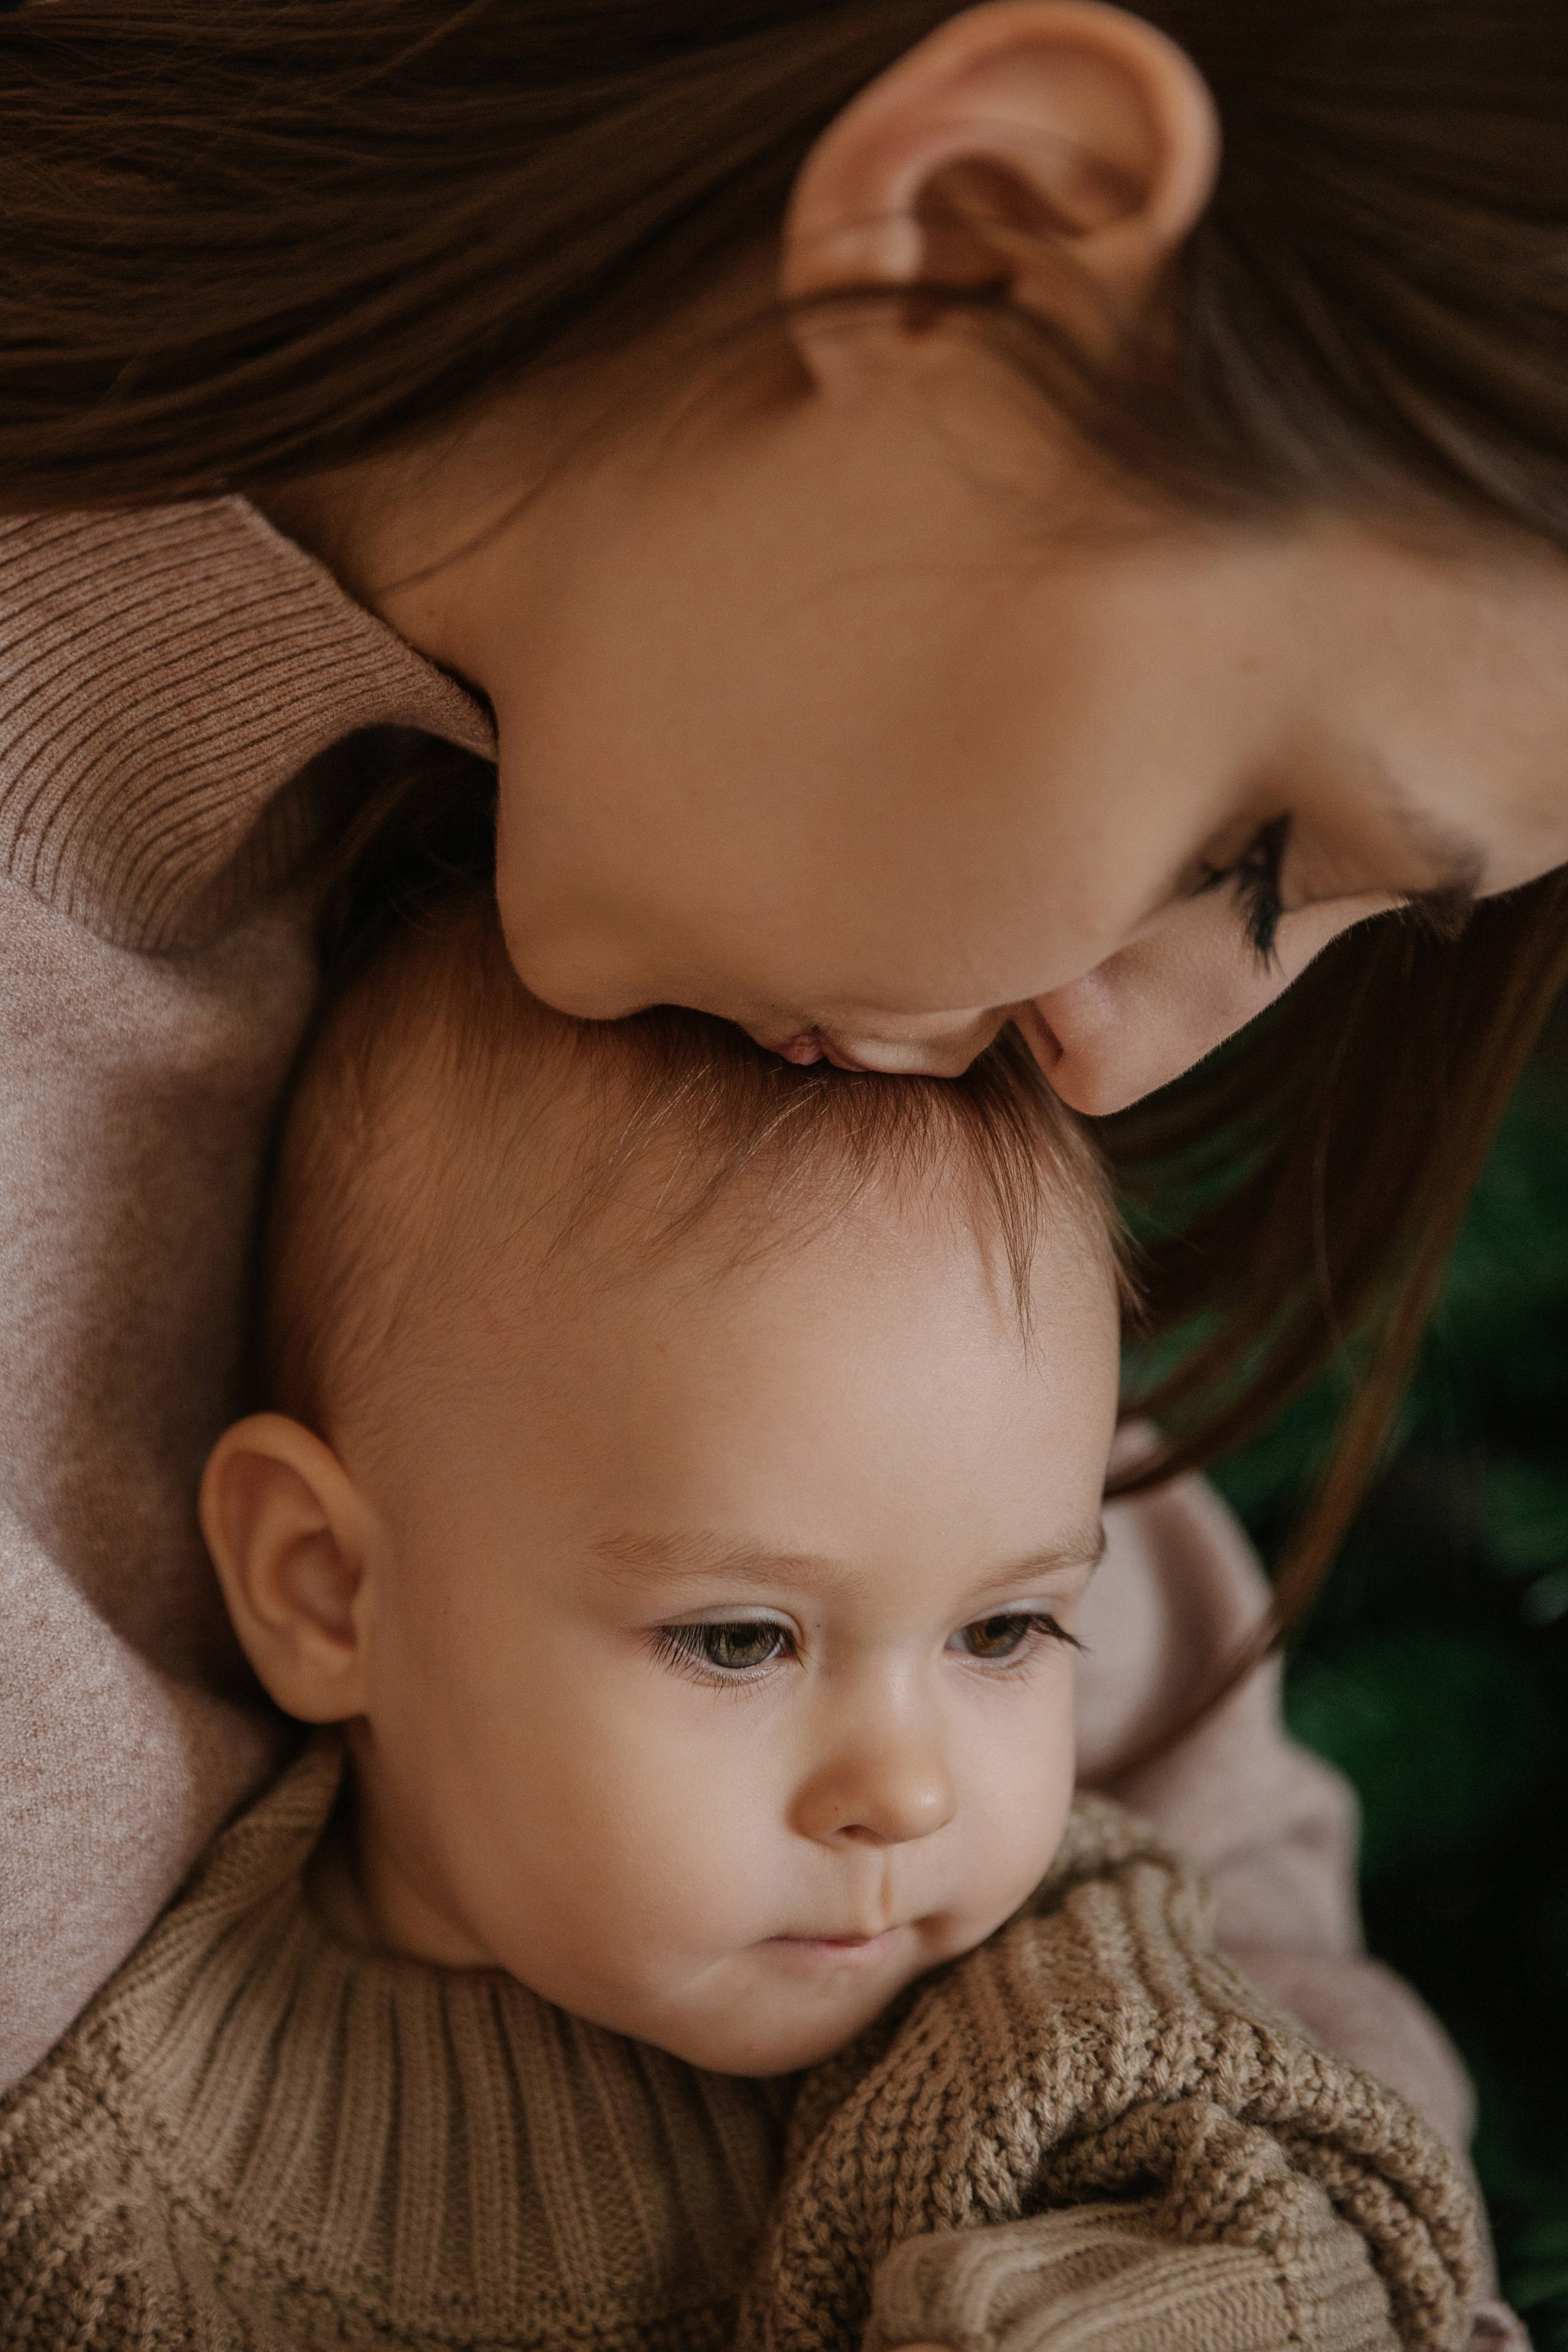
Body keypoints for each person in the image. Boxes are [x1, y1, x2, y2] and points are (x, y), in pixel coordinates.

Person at [0, 0, 1562, 2292]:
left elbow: (1228, 1880)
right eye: (1243, 859)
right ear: (979, 239)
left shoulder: (744, 978)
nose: (1120, 1066)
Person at [0, 888, 1482, 2351]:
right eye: (739, 1640)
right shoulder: (108, 2184)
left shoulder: (1048, 2004)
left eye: (1000, 1633)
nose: (906, 1794)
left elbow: (1309, 2237)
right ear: (325, 1589)